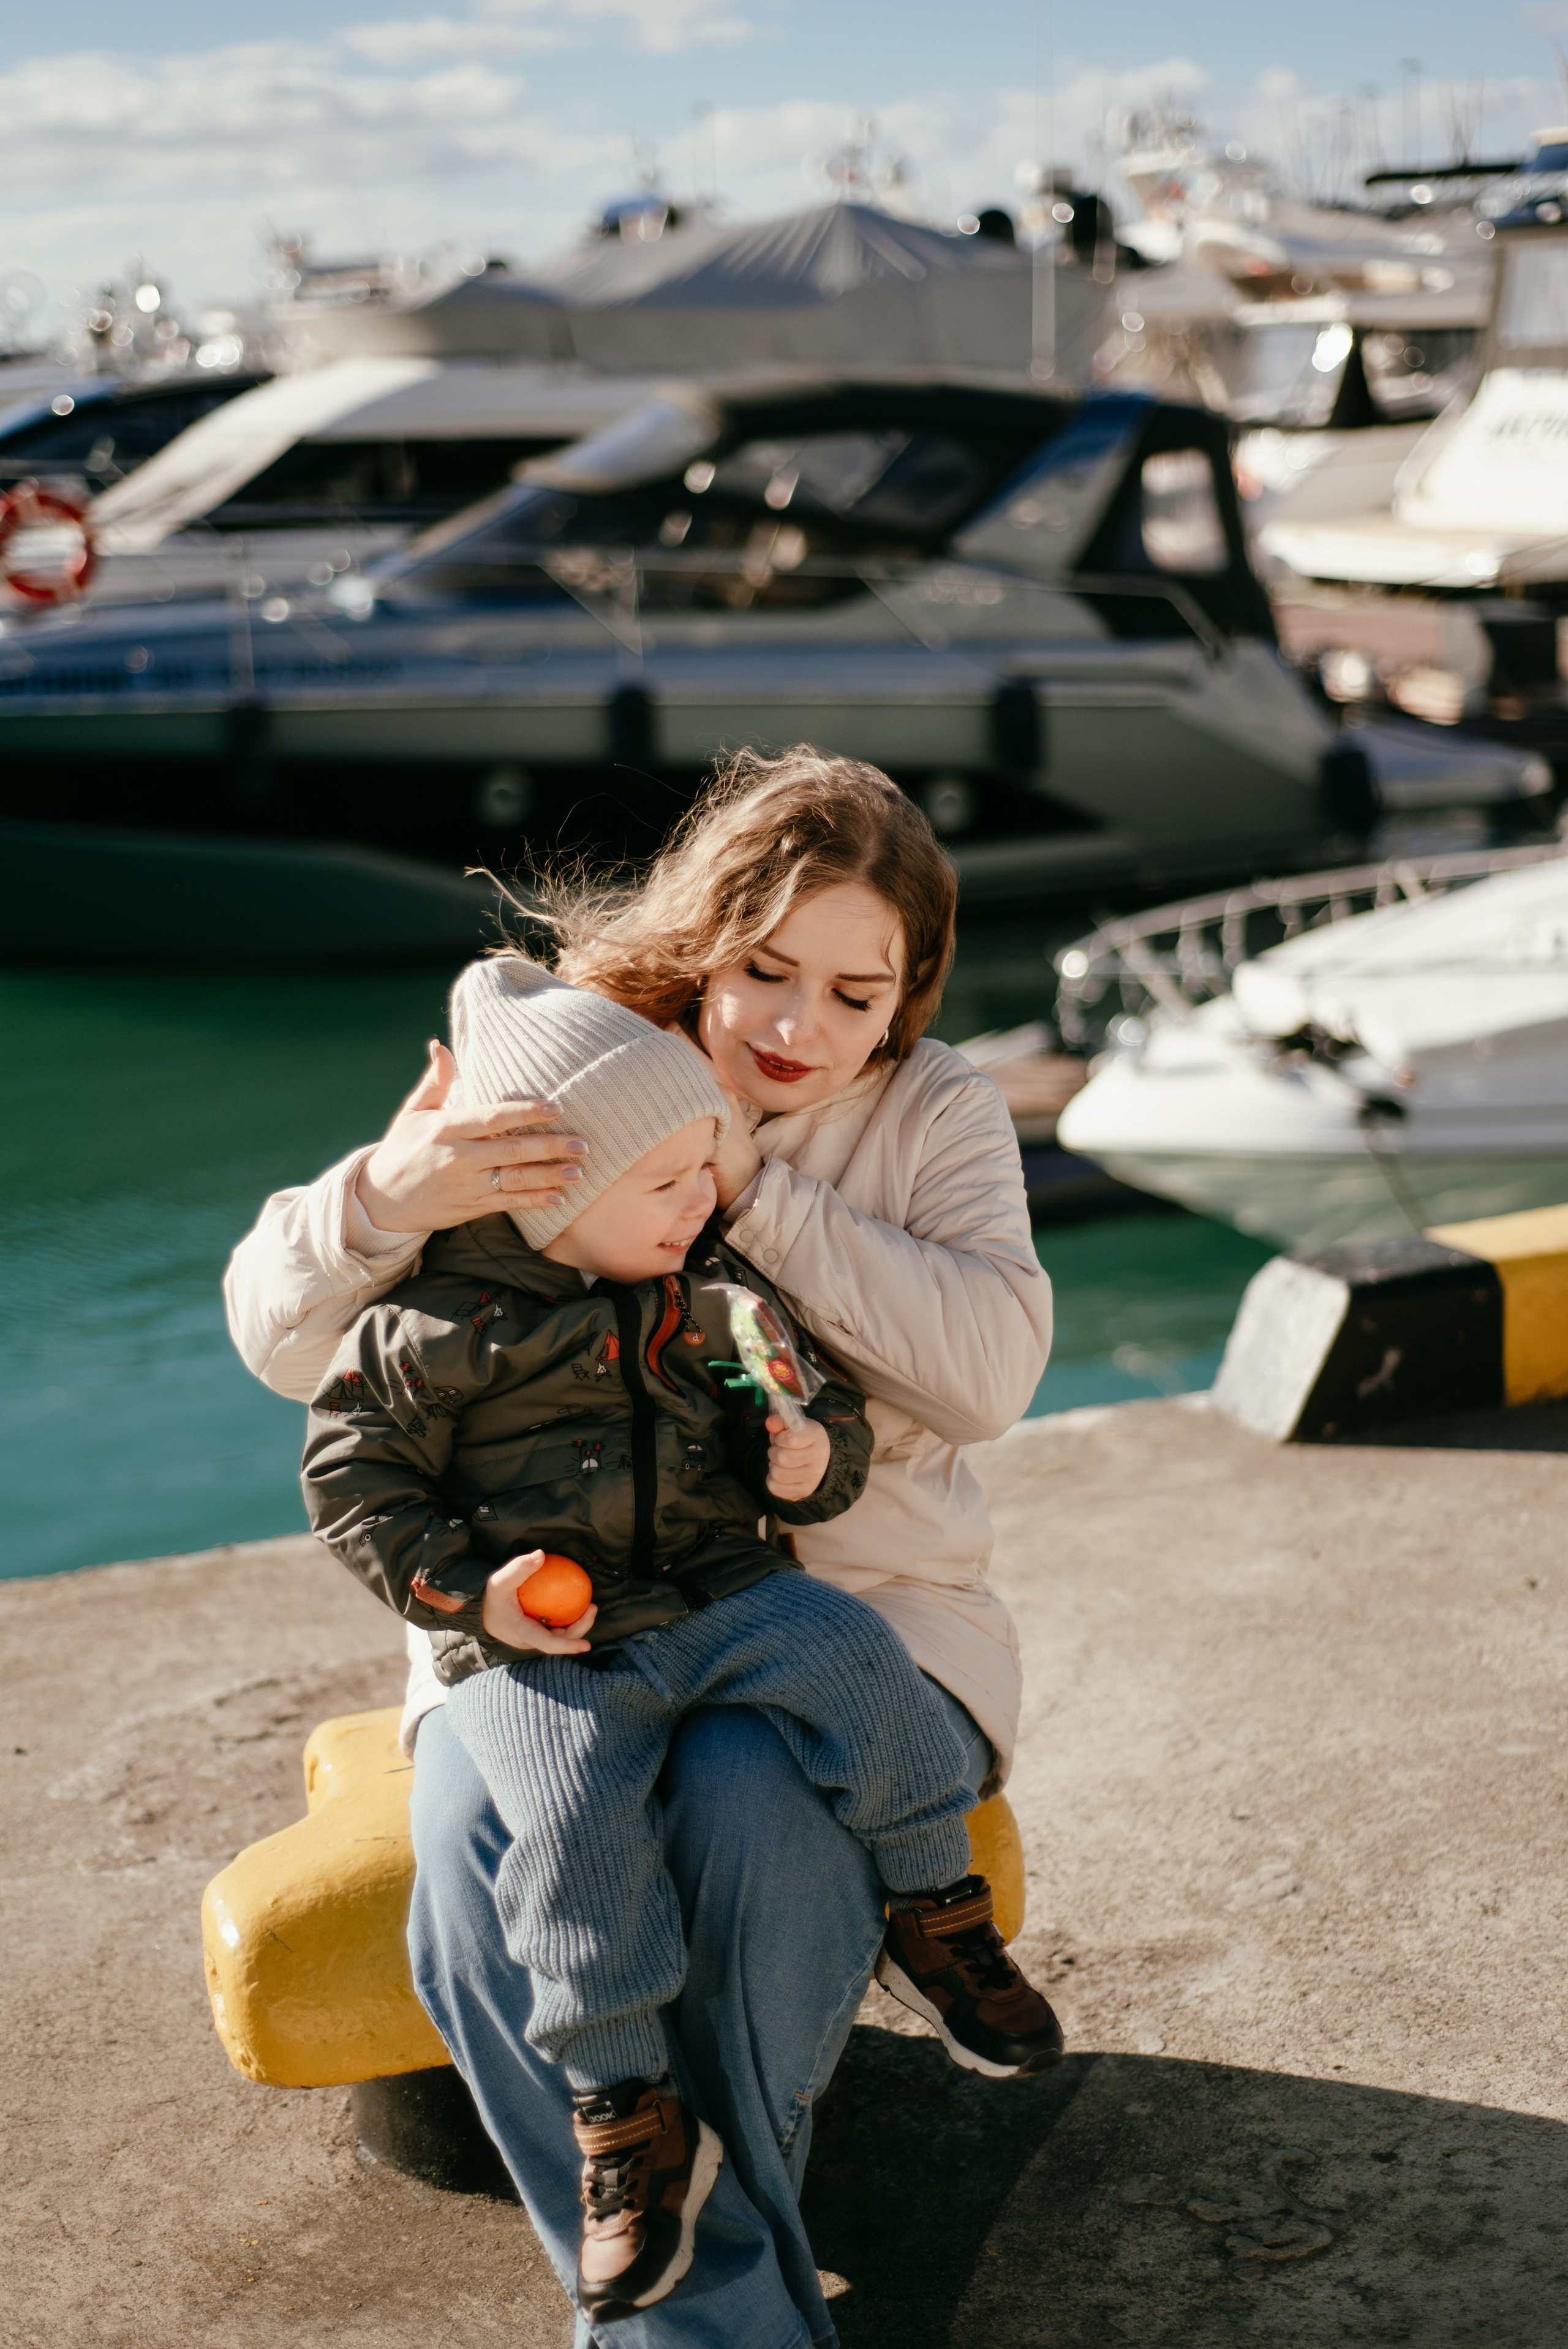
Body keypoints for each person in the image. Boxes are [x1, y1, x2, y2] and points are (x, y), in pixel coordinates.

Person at [224, 747, 1055, 2349]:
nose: (798, 1027)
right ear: (702, 940)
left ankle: (683, 2326)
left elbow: (993, 1375)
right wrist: (388, 1197)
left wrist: (754, 1194)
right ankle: (728, 2319)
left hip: (860, 1620)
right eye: (763, 969)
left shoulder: (934, 1111)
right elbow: (284, 1342)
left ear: (909, 998)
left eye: (854, 991)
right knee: (474, 1868)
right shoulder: (575, 1060)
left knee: (751, 1813)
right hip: (547, 1630)